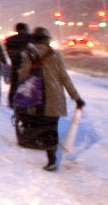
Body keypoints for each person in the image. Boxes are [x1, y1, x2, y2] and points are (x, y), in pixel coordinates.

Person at [16, 27, 86, 171]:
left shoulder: (28, 54)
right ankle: (52, 156)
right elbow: (65, 78)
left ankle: (48, 153)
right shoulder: (55, 55)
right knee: (52, 127)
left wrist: (21, 74)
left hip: (38, 98)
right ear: (47, 39)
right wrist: (76, 97)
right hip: (55, 98)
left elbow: (24, 77)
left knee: (43, 126)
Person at [4, 23, 31, 106]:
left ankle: (11, 101)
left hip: (15, 65)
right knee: (29, 84)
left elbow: (10, 53)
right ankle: (27, 101)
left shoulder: (10, 40)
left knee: (14, 84)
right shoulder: (30, 38)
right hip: (29, 66)